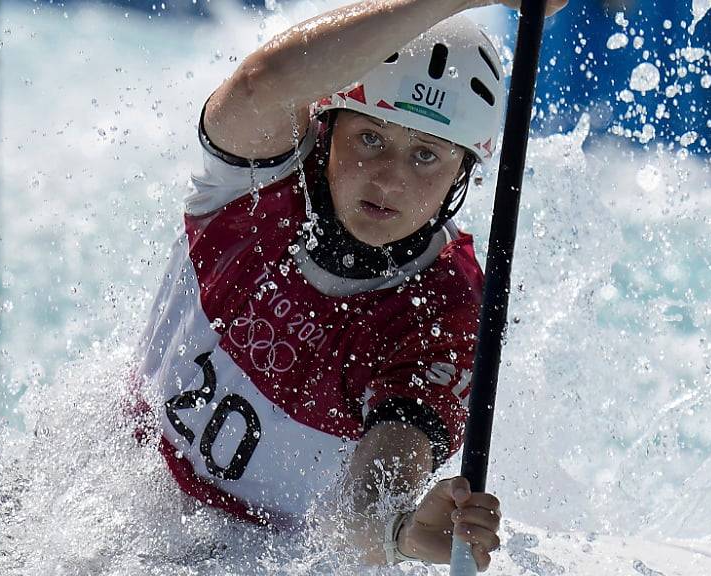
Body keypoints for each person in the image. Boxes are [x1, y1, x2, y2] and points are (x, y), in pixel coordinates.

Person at [130, 0, 567, 570]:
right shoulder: (261, 180)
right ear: (327, 126)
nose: (389, 177)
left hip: (258, 562)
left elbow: (362, 511)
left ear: (463, 174)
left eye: (427, 155)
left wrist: (404, 532)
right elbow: (263, 82)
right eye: (370, 138)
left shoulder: (448, 312)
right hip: (119, 482)